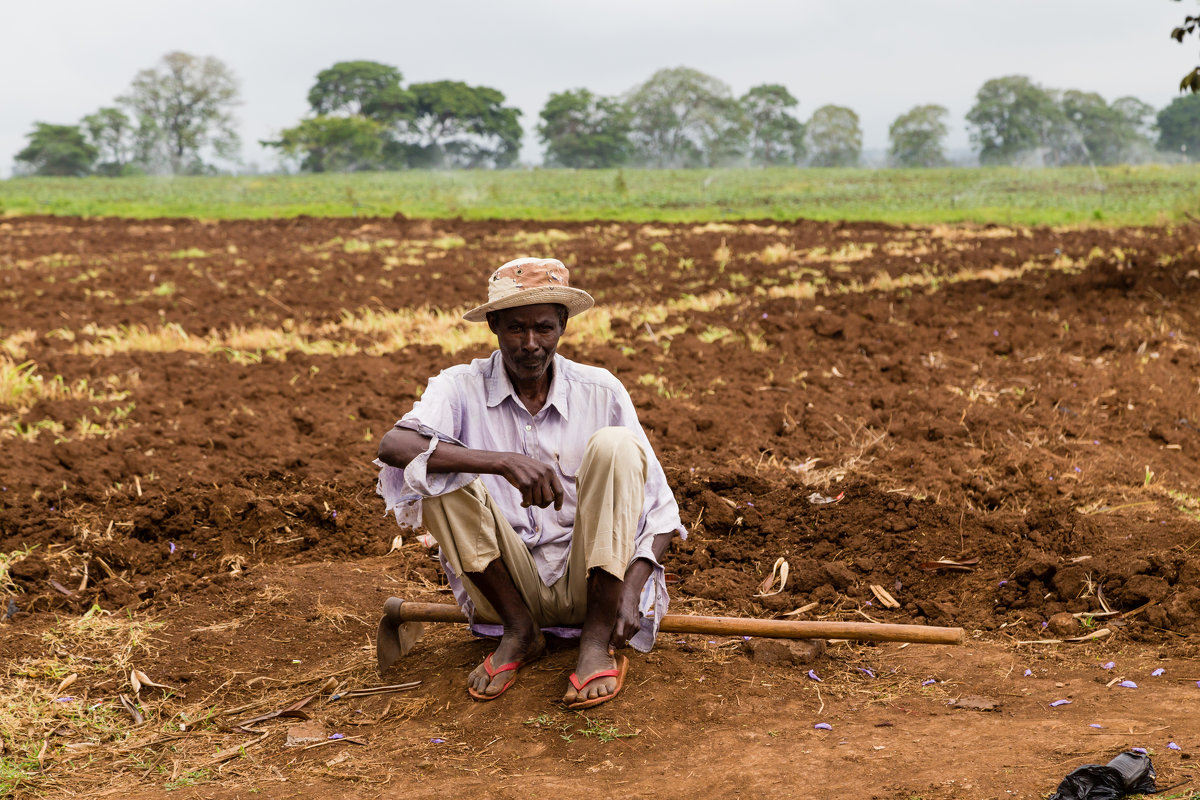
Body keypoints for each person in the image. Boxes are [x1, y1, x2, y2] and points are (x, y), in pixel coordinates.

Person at [375, 257, 685, 709]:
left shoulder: (601, 390)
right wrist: (502, 462)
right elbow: (393, 444)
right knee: (431, 467)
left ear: (562, 325)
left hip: (594, 587)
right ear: (494, 326)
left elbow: (661, 512)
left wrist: (632, 591)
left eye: (544, 328)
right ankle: (521, 633)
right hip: (502, 593)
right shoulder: (459, 387)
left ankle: (595, 644)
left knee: (617, 446)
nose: (530, 344)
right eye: (516, 329)